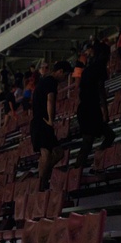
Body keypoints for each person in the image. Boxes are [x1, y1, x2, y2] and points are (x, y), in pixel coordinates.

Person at [31, 60, 72, 191]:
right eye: (65, 75)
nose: (65, 79)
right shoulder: (51, 82)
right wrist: (50, 119)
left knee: (58, 153)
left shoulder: (44, 80)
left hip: (39, 121)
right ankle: (40, 184)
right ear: (60, 72)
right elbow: (50, 99)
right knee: (46, 154)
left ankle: (44, 175)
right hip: (41, 121)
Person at [75, 41, 116, 171]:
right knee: (91, 141)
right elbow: (100, 89)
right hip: (91, 108)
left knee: (88, 142)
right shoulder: (100, 68)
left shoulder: (88, 69)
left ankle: (80, 169)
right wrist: (105, 110)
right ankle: (83, 167)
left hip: (84, 108)